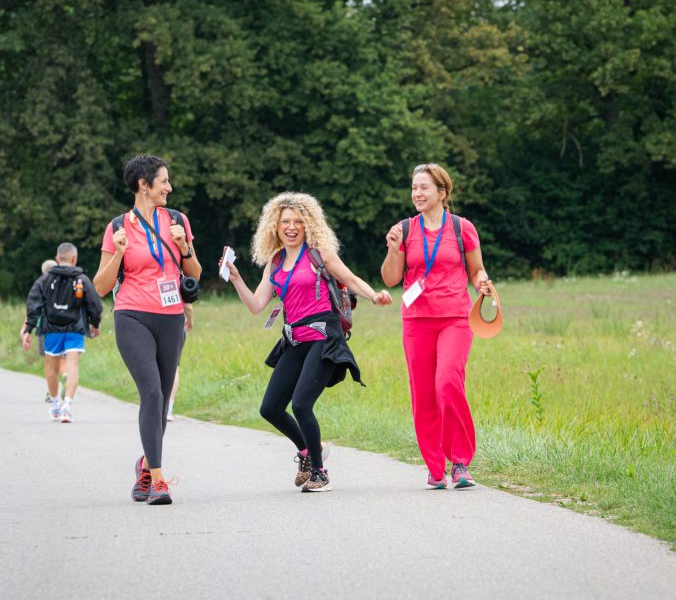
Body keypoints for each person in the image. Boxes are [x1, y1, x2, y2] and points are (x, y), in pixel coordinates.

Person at [223, 192, 391, 493]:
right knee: (270, 408)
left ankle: (319, 473)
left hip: (324, 338)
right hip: (295, 340)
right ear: (275, 226)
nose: (291, 227)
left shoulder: (319, 254)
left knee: (301, 404)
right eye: (285, 222)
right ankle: (308, 451)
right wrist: (236, 278)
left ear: (308, 225)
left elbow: (351, 279)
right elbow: (257, 305)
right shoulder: (275, 263)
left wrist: (374, 296)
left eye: (298, 222)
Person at [94, 155, 202, 506]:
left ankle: (145, 466)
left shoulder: (178, 220)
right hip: (132, 316)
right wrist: (117, 254)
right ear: (144, 185)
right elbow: (99, 287)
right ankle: (158, 480)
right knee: (152, 394)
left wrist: (185, 247)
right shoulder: (117, 227)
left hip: (171, 316)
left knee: (163, 399)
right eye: (163, 181)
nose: (169, 187)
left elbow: (195, 274)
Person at [381, 164, 491, 489]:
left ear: (442, 192)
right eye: (414, 188)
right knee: (424, 394)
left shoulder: (462, 228)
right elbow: (390, 278)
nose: (417, 193)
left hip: (455, 317)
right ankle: (435, 468)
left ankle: (460, 462)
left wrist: (482, 282)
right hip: (416, 321)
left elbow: (477, 270)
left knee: (448, 382)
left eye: (424, 188)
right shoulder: (404, 229)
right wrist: (392, 248)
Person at [22, 243, 103, 423]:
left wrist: (28, 329)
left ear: (57, 259)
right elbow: (95, 305)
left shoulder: (44, 280)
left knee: (51, 368)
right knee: (72, 367)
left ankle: (55, 405)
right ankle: (67, 406)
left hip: (52, 329)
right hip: (75, 329)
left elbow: (34, 304)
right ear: (74, 259)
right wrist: (95, 324)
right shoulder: (82, 279)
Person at [22, 259, 68, 403]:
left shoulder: (41, 284)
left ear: (43, 272)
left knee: (49, 362)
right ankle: (65, 374)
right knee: (63, 359)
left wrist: (26, 329)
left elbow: (33, 308)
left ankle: (51, 392)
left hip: (45, 327)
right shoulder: (64, 283)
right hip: (66, 326)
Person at [167, 305, 192, 422]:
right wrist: (190, 320)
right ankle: (168, 409)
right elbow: (188, 305)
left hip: (150, 322)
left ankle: (154, 405)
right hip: (176, 323)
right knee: (174, 367)